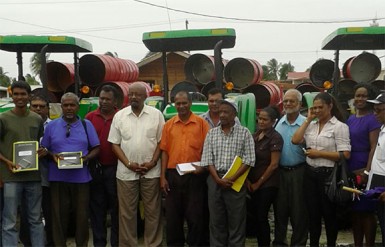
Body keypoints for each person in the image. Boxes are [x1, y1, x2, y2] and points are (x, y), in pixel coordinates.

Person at [108, 82, 165, 246]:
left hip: (151, 171)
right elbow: (114, 144)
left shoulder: (156, 115)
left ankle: (153, 244)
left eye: (138, 94)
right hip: (126, 173)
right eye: (131, 94)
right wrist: (128, 163)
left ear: (145, 96)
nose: (133, 97)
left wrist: (153, 162)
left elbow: (161, 142)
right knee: (127, 214)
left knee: (153, 211)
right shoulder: (120, 116)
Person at [292, 92, 351, 247]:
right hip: (310, 174)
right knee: (313, 215)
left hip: (328, 176)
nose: (317, 111)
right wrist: (308, 119)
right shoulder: (311, 125)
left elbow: (345, 154)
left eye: (320, 107)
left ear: (330, 106)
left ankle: (331, 243)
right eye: (314, 107)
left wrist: (319, 153)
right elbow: (295, 140)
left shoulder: (339, 127)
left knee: (329, 215)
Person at [41, 92, 100, 247]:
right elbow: (44, 149)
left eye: (72, 105)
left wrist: (86, 158)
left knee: (82, 217)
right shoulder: (52, 126)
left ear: (77, 107)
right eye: (65, 105)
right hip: (58, 179)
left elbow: (96, 148)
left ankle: (82, 244)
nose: (68, 108)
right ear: (61, 107)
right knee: (59, 217)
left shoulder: (87, 125)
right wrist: (51, 155)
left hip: (81, 179)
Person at [200, 99, 255, 246]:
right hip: (215, 179)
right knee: (216, 220)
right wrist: (218, 180)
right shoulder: (212, 134)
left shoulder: (244, 133)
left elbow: (249, 160)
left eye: (226, 112)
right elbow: (207, 160)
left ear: (234, 114)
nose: (222, 115)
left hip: (235, 181)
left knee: (236, 221)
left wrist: (231, 178)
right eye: (220, 112)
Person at [160, 91, 210, 246]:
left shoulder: (201, 124)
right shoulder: (168, 125)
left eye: (184, 103)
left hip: (195, 176)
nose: (181, 106)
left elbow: (208, 150)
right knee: (173, 218)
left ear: (190, 103)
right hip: (173, 176)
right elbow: (165, 152)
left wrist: (202, 168)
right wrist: (162, 177)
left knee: (195, 217)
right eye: (178, 103)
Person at [0, 81, 46, 247]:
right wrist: (6, 162)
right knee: (10, 221)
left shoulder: (36, 119)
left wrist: (42, 151)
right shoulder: (3, 119)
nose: (20, 97)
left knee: (35, 219)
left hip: (33, 176)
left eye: (23, 94)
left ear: (29, 97)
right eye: (16, 94)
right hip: (11, 177)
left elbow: (39, 143)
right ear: (11, 96)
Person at [273, 89, 308, 247]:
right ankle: (280, 242)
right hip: (280, 172)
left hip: (299, 173)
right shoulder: (278, 122)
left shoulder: (308, 124)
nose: (287, 104)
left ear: (299, 104)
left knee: (298, 212)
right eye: (285, 101)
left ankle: (298, 243)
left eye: (291, 101)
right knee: (280, 211)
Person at [346, 84, 380, 247]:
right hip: (350, 165)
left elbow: (374, 146)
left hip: (364, 164)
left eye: (364, 96)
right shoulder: (351, 118)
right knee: (354, 211)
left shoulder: (373, 119)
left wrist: (367, 170)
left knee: (366, 210)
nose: (360, 99)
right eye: (357, 95)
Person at [86, 85, 119, 247]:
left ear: (115, 102)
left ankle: (116, 242)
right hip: (95, 169)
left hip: (116, 169)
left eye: (107, 99)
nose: (103, 102)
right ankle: (99, 243)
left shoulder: (121, 117)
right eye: (101, 98)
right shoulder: (90, 118)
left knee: (116, 208)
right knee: (97, 209)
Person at [246, 106, 283, 247]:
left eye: (265, 119)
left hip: (267, 184)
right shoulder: (255, 136)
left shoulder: (275, 138)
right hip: (253, 182)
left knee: (262, 216)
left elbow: (273, 165)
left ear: (273, 121)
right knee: (256, 216)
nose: (261, 122)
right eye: (259, 118)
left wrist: (258, 183)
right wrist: (249, 181)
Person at [20, 94, 53, 247]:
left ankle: (50, 242)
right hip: (25, 177)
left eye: (42, 106)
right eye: (35, 106)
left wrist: (48, 152)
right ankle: (28, 243)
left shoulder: (55, 126)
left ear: (48, 108)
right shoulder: (22, 124)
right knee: (27, 214)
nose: (38, 109)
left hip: (49, 178)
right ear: (30, 107)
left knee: (49, 213)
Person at [365, 93, 385, 246]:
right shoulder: (382, 128)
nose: (375, 114)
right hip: (378, 184)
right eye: (374, 110)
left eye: (379, 110)